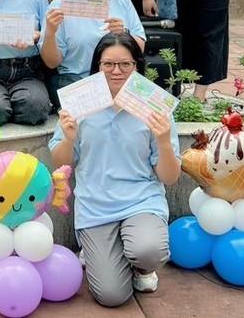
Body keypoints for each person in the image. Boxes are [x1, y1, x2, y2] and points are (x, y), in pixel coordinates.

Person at [49, 33, 180, 307]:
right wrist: (70, 138)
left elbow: (169, 177)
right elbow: (61, 163)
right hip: (95, 207)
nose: (116, 71)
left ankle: (142, 268)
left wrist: (165, 141)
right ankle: (101, 253)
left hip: (141, 201)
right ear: (97, 65)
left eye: (125, 64)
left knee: (149, 251)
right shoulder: (80, 102)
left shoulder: (154, 107)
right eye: (108, 64)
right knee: (111, 296)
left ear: (137, 65)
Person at [41, 0, 145, 106]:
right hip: (76, 81)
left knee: (156, 106)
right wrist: (50, 32)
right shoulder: (57, 7)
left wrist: (124, 34)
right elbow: (52, 62)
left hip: (118, 78)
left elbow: (140, 49)